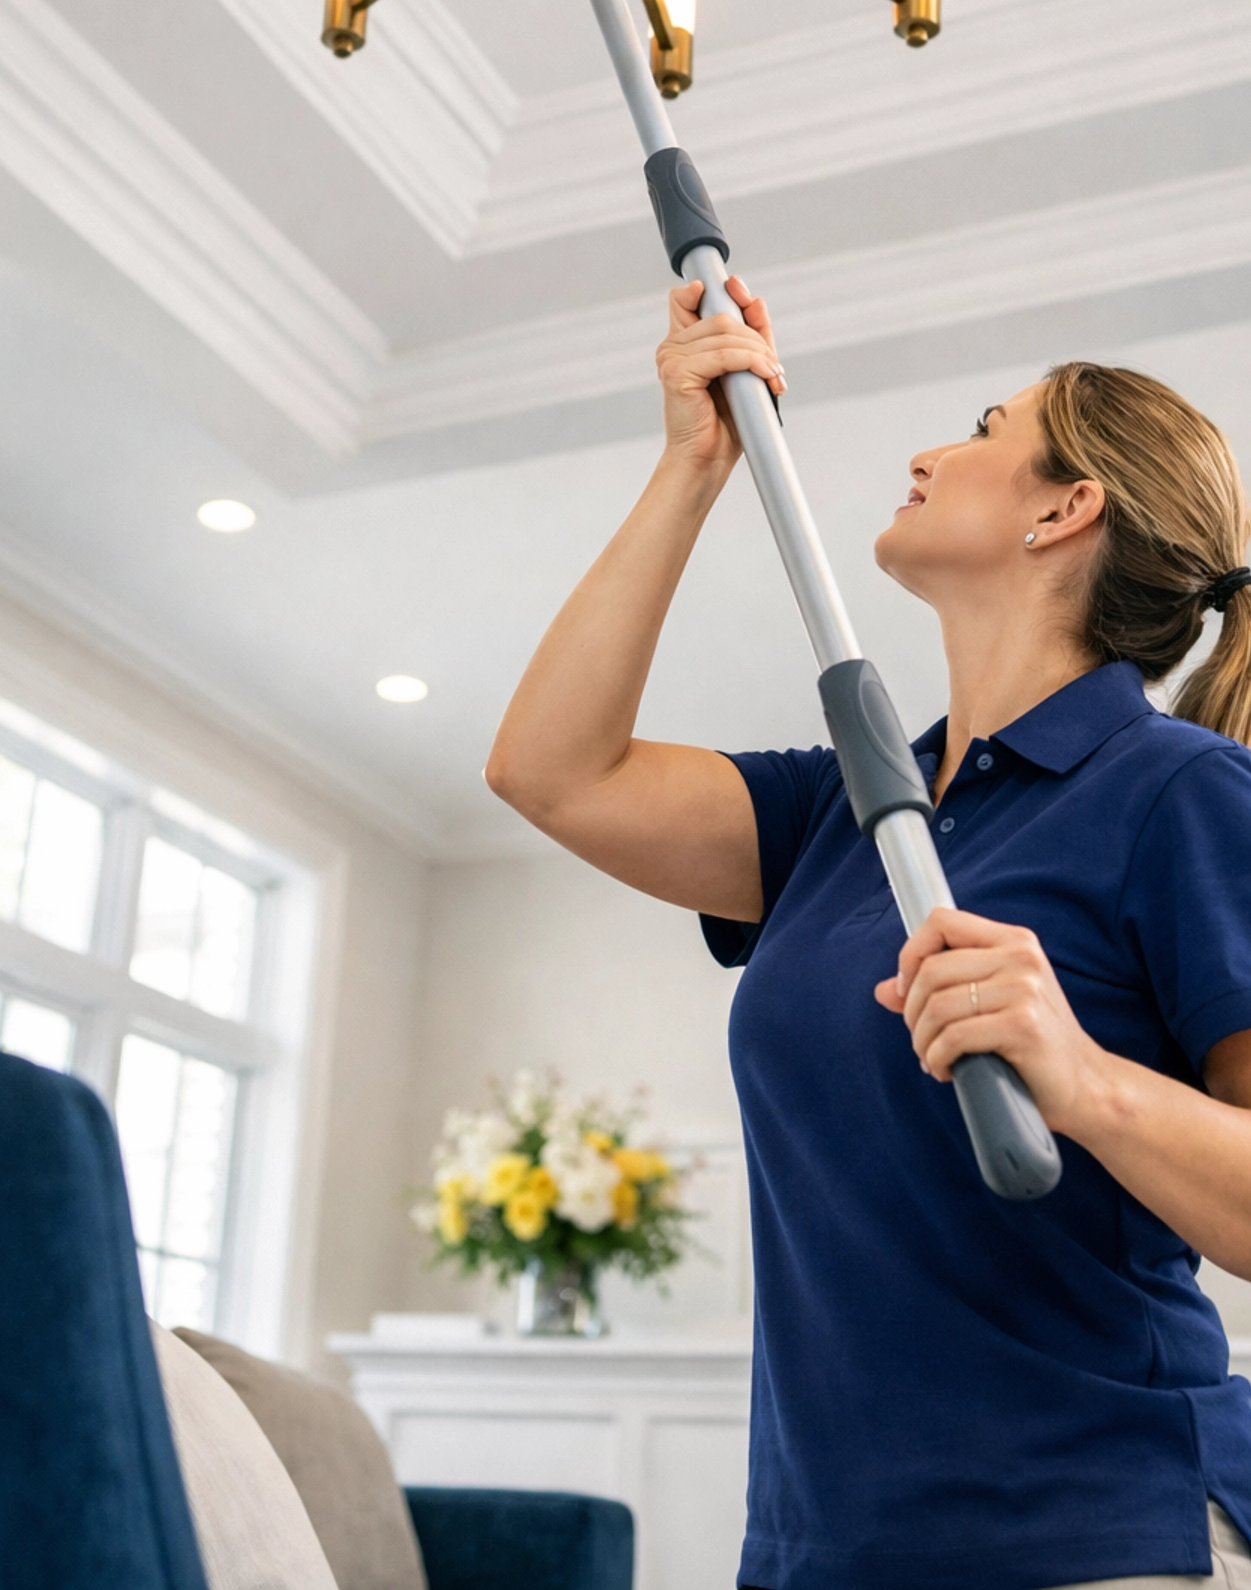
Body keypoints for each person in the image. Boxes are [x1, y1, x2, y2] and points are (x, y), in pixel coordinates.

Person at [486, 273, 1251, 1590]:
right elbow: (553, 772)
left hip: (1087, 1529)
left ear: (1068, 510)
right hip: (823, 1546)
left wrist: (1084, 1079)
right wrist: (692, 466)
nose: (927, 452)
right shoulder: (848, 808)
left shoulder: (1179, 791)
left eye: (983, 427)